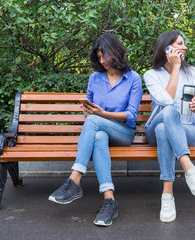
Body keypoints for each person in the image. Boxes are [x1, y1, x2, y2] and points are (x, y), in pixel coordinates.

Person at [48, 33, 143, 227]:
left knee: (94, 121)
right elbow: (89, 114)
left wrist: (101, 114)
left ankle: (75, 179)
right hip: (100, 130)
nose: (102, 61)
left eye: (104, 56)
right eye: (98, 57)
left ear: (115, 52)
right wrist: (88, 111)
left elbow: (131, 115)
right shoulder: (94, 78)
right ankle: (110, 200)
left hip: (124, 132)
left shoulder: (133, 78)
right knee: (98, 136)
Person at [143, 31, 195, 223]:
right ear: (167, 48)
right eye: (180, 43)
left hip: (186, 129)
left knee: (165, 130)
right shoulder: (151, 75)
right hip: (153, 128)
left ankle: (167, 195)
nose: (185, 47)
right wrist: (176, 68)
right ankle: (189, 169)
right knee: (169, 112)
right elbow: (165, 100)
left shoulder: (193, 72)